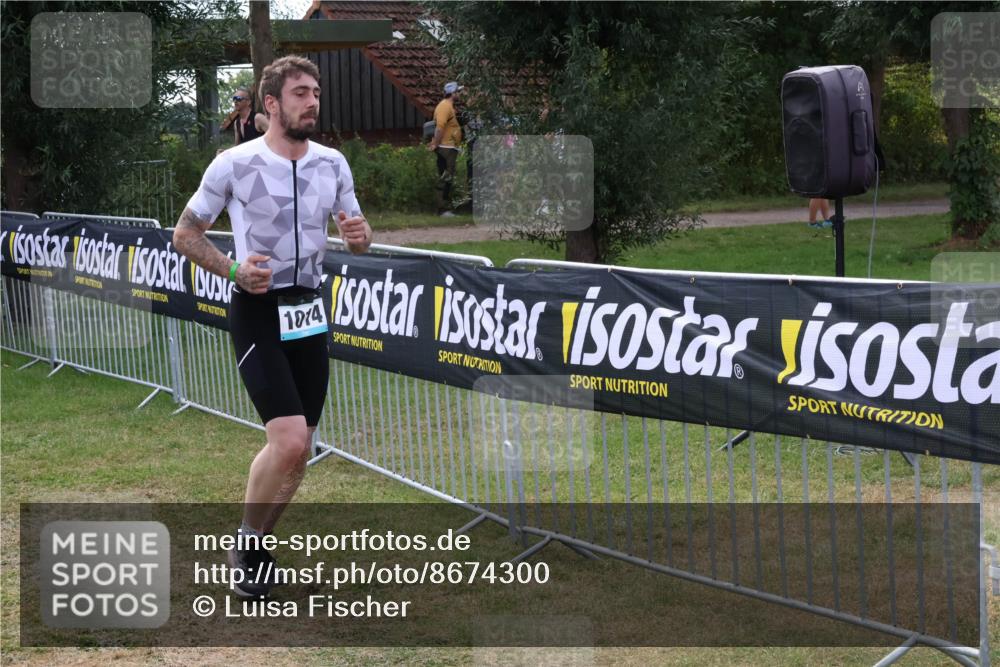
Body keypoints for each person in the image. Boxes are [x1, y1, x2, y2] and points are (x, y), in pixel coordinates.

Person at [173, 55, 372, 598]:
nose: (312, 102)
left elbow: (358, 231)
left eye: (316, 92)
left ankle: (256, 545)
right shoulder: (233, 164)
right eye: (301, 93)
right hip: (257, 309)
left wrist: (359, 236)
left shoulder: (332, 163)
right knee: (285, 441)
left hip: (308, 310)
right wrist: (234, 268)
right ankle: (245, 541)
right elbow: (185, 234)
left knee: (301, 447)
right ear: (271, 103)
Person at [428, 81, 464, 216]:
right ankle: (443, 209)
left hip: (450, 147)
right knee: (445, 177)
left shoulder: (449, 106)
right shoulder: (444, 107)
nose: (460, 94)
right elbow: (439, 127)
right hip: (445, 148)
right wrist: (436, 144)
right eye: (458, 92)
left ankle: (445, 207)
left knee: (448, 177)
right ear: (453, 93)